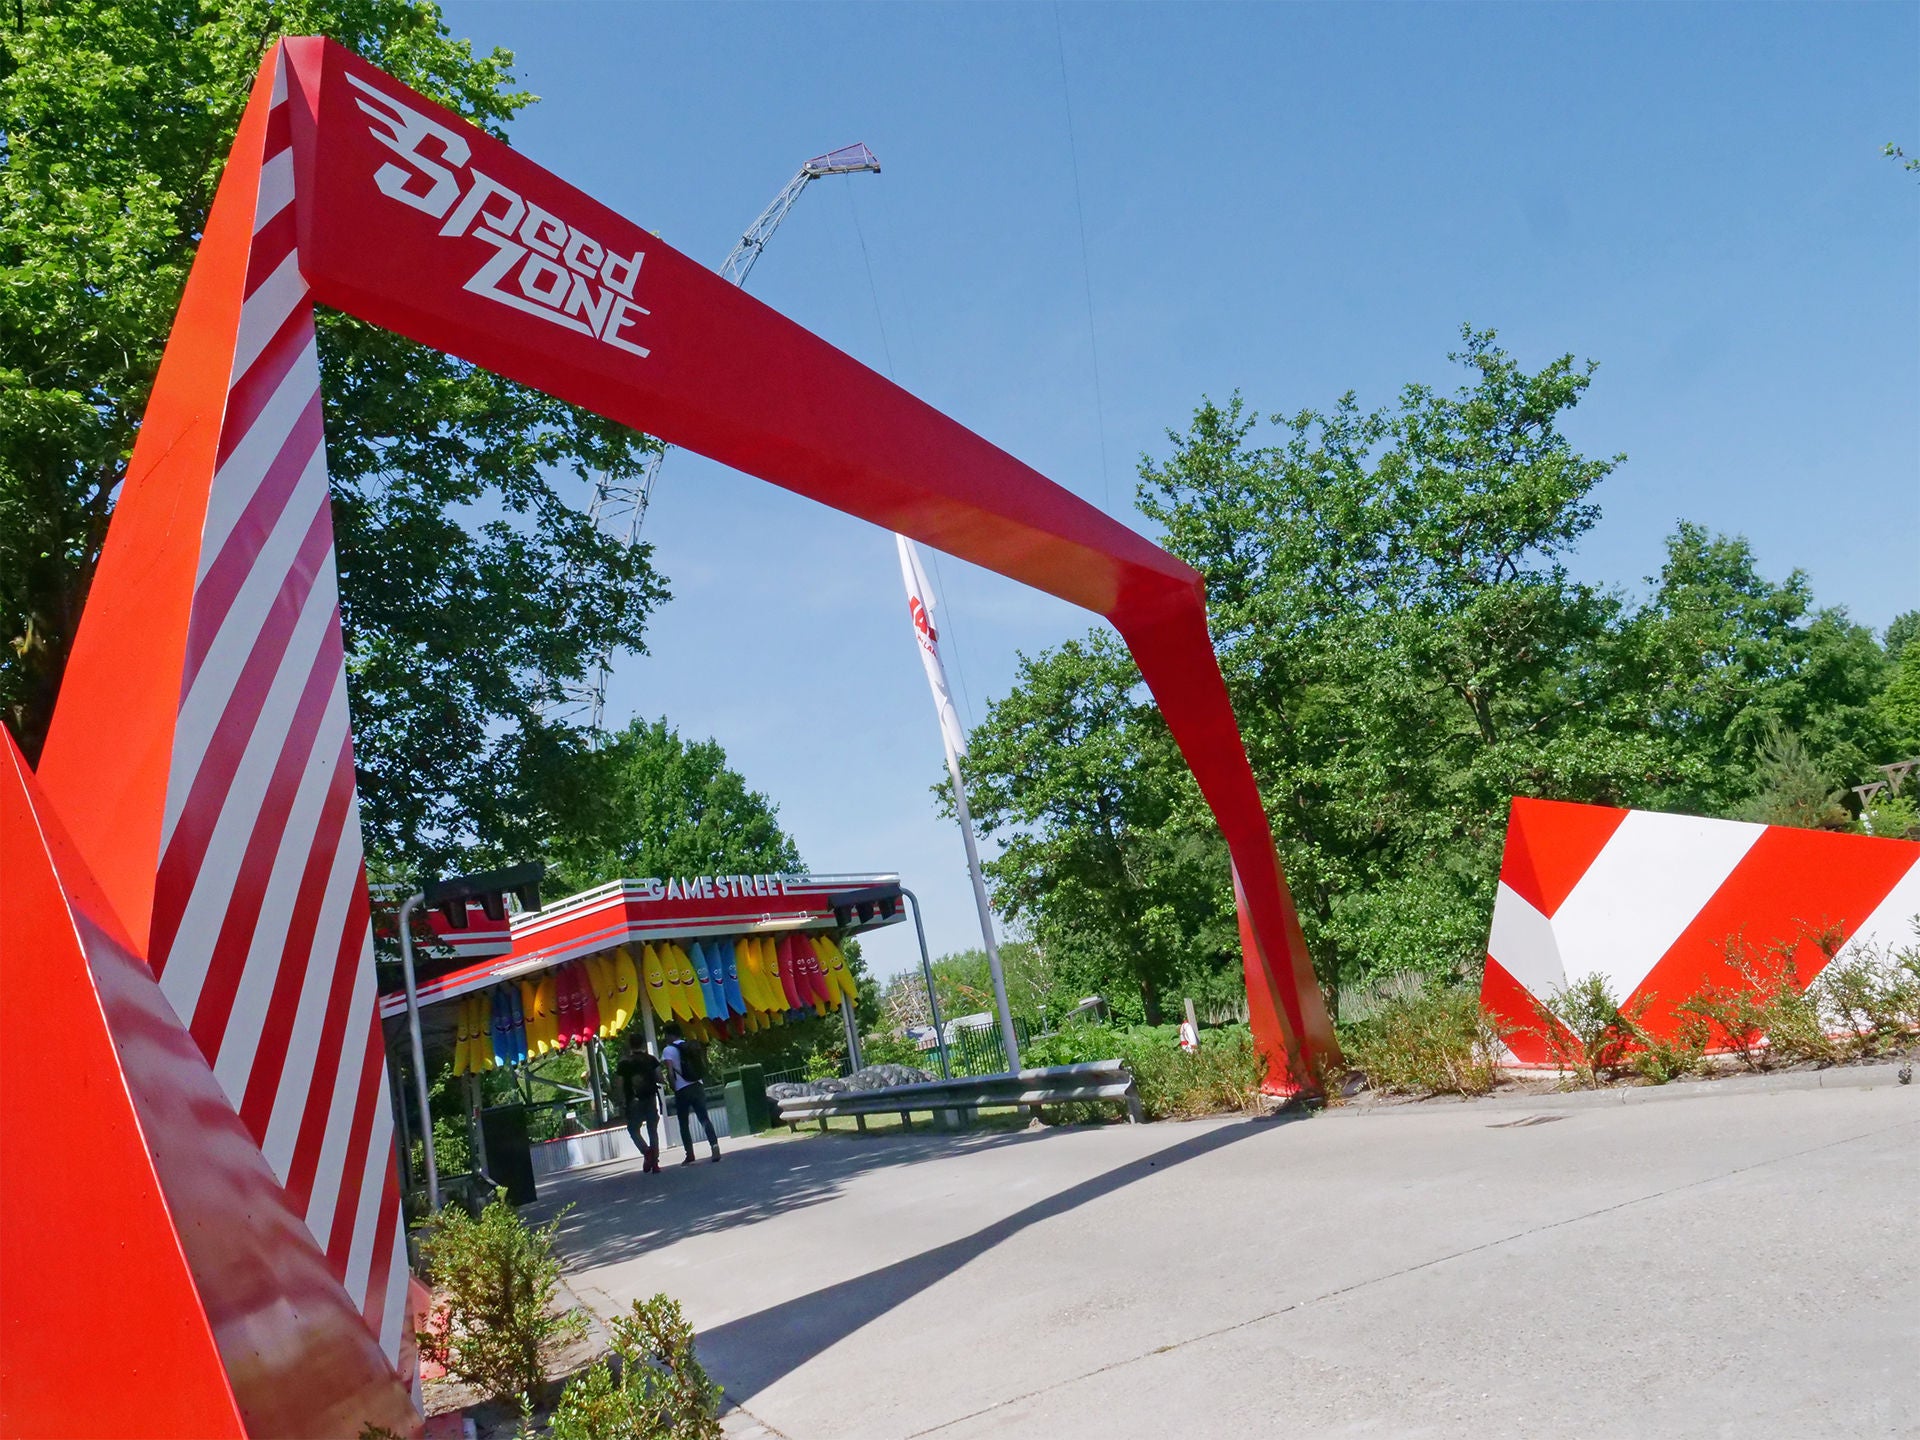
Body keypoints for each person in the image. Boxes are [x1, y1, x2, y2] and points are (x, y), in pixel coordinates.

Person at [661, 1025, 720, 1165]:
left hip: (682, 1089)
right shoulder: (690, 1045)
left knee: (683, 1123)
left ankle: (690, 1154)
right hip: (697, 1085)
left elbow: (669, 1071)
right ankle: (714, 1145)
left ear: (669, 1035)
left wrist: (673, 1086)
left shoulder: (668, 1050)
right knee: (704, 1118)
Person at [616, 1036, 662, 1173]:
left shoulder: (624, 1063)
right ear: (642, 1044)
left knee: (633, 1129)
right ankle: (655, 1162)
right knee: (652, 1130)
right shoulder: (651, 1059)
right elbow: (659, 1077)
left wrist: (621, 1100)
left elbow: (619, 1083)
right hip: (650, 1098)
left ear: (629, 1045)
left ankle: (646, 1151)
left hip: (633, 1100)